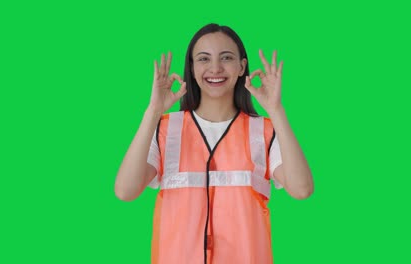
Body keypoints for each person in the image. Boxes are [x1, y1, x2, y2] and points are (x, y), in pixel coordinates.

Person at [115, 23, 314, 264]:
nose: (215, 68)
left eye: (226, 57)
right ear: (192, 67)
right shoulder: (166, 129)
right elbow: (125, 191)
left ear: (242, 67)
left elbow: (302, 189)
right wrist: (153, 112)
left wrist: (276, 109)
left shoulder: (263, 130)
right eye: (204, 59)